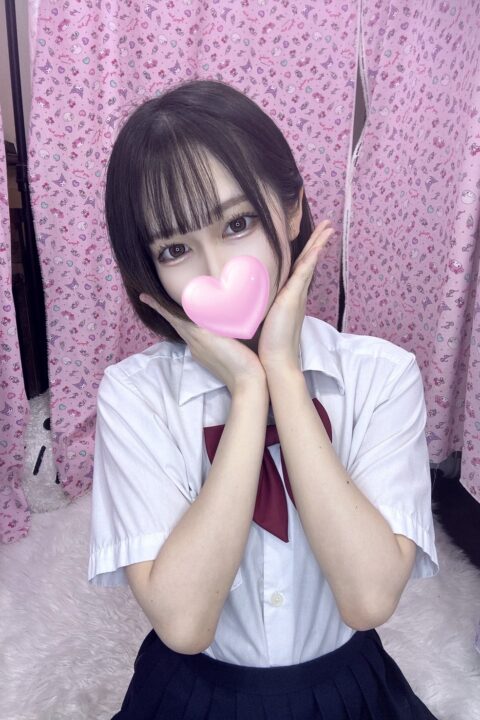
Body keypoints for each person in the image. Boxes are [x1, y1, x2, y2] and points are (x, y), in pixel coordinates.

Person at [88, 79, 440, 719]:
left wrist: (282, 369)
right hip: (193, 692)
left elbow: (368, 599)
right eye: (175, 249)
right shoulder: (133, 396)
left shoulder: (382, 376)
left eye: (238, 223)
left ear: (293, 210)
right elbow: (184, 623)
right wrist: (249, 392)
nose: (215, 270)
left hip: (345, 689)